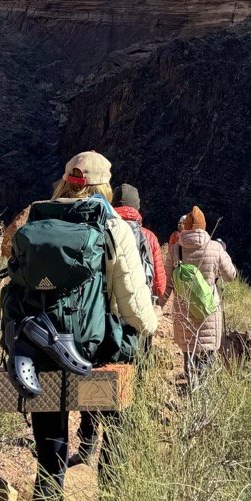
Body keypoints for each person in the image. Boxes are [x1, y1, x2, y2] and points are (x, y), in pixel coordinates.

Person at [14, 151, 157, 501]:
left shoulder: (38, 220)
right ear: (104, 186)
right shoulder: (112, 226)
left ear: (65, 181)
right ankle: (112, 499)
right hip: (92, 350)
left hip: (42, 347)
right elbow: (134, 305)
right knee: (119, 418)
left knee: (49, 452)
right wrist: (149, 328)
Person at [72, 181, 166, 467]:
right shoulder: (147, 237)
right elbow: (160, 285)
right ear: (137, 208)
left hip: (96, 322)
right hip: (131, 326)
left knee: (94, 382)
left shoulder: (98, 228)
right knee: (126, 391)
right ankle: (113, 466)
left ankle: (87, 445)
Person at [164, 205, 237, 385]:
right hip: (208, 311)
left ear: (186, 227)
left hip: (184, 312)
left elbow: (167, 285)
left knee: (189, 357)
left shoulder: (175, 250)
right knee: (207, 359)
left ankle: (192, 389)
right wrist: (222, 254)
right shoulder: (215, 248)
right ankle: (202, 393)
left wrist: (157, 305)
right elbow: (230, 276)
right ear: (204, 227)